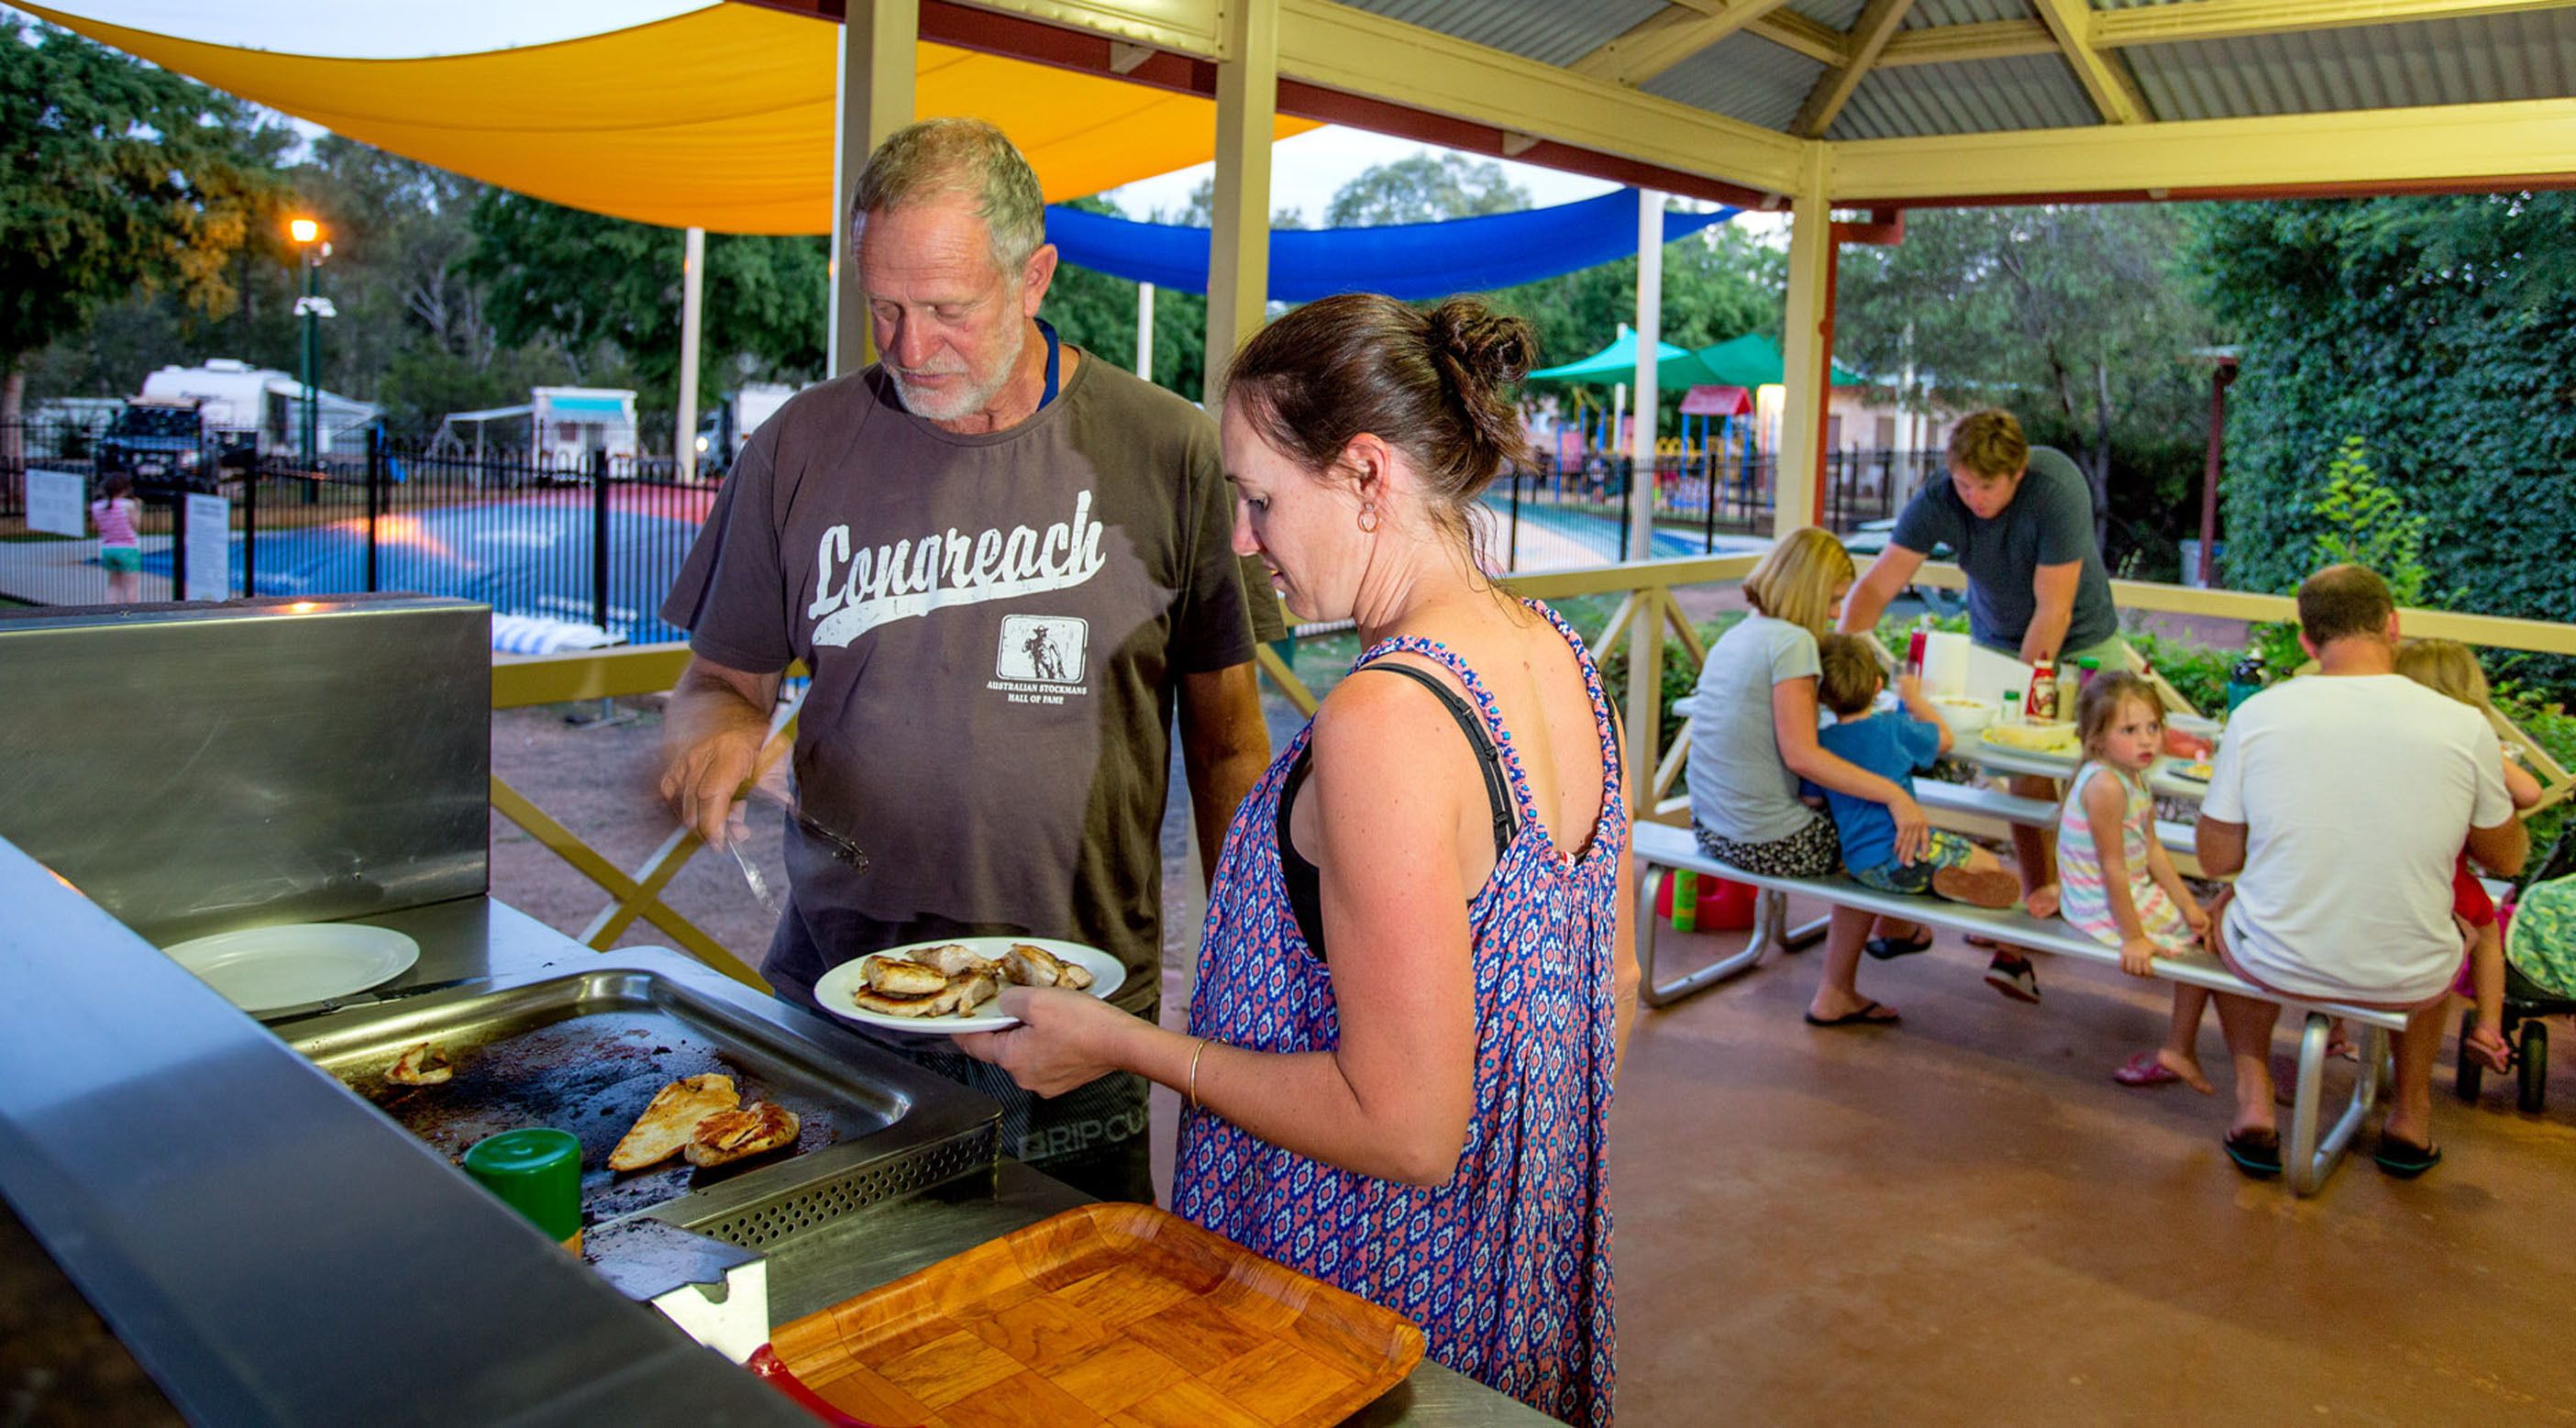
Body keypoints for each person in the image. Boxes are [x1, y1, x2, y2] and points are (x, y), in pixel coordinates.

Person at [956, 293, 1631, 1427]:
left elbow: (1407, 1130)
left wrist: (1125, 1045)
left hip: (1357, 1306)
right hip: (1503, 1289)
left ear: (1369, 476)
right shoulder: (1552, 652)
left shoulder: (1387, 720)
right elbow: (1572, 996)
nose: (1240, 538)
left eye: (1260, 497)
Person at [655, 118, 1277, 1202]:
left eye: (948, 309)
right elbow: (720, 682)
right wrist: (713, 737)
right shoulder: (798, 447)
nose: (907, 347)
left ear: (1035, 276)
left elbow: (1228, 744)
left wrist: (1246, 983)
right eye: (884, 307)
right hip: (838, 1013)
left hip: (1074, 1032)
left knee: (1081, 1340)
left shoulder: (1168, 448)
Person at [2195, 565, 2527, 1180]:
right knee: (2439, 921)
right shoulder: (2464, 727)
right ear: (2393, 626)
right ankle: (2411, 1112)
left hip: (2276, 959)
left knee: (2221, 912)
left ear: (2306, 642)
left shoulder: (2260, 714)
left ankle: (2254, 1099)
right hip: (2408, 975)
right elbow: (2507, 859)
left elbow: (2216, 859)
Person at [1837, 408, 2130, 1002]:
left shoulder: (2055, 487)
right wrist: (1840, 665)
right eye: (1964, 485)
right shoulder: (1942, 495)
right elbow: (1875, 587)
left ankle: (2113, 906)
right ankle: (2033, 905)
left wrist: (2029, 704)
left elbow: (2055, 610)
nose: (1972, 498)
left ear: (2017, 472)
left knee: (2095, 778)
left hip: (2081, 640)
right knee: (2023, 779)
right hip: (1995, 637)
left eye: (1986, 487)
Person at [1690, 527, 1947, 1024]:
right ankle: (1840, 988)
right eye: (1833, 599)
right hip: (1764, 841)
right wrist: (1896, 795)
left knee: (1856, 812)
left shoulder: (1739, 633)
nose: (1836, 614)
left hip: (1711, 830)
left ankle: (1895, 927)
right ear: (1807, 591)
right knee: (1872, 837)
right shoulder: (1793, 644)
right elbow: (1803, 756)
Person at [2054, 671, 2216, 1092]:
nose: (2146, 741)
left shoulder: (2130, 775)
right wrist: (2133, 938)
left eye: (2153, 728)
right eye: (2129, 730)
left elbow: (2152, 849)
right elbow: (2113, 868)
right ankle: (2180, 1048)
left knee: (2211, 925)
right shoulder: (2106, 785)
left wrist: (2190, 906)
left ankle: (2182, 1047)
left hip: (2120, 889)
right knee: (2214, 948)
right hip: (2098, 904)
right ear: (2097, 739)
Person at [2394, 637, 2546, 1072]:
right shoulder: (2467, 739)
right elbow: (2530, 791)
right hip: (2442, 876)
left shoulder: (2390, 737)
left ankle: (2339, 1029)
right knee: (2488, 932)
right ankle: (2489, 1029)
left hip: (2383, 871)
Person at [1806, 632, 2020, 909]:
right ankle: (2007, 949)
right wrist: (1915, 698)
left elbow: (1811, 799)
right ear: (1877, 685)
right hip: (1905, 850)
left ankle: (1934, 883)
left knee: (1923, 872)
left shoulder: (1821, 744)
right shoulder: (1894, 729)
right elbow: (1946, 738)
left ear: (1823, 695)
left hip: (1861, 865)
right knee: (1991, 865)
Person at [91, 473, 142, 603]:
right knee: (131, 587)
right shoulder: (128, 505)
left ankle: (111, 616)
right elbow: (136, 525)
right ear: (124, 489)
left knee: (113, 585)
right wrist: (139, 509)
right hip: (128, 549)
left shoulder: (96, 507)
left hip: (108, 548)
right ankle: (131, 616)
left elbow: (98, 526)